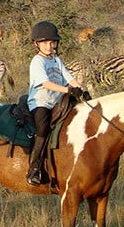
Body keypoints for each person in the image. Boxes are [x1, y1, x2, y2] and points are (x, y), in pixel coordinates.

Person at [26, 21, 85, 186]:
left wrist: (81, 89)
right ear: (36, 44)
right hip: (41, 102)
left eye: (52, 42)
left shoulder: (56, 61)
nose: (48, 46)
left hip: (58, 102)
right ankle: (34, 170)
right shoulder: (37, 62)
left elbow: (69, 78)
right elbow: (45, 83)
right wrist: (68, 91)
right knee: (42, 130)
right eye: (44, 42)